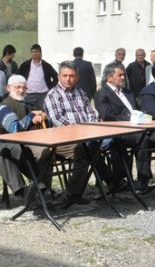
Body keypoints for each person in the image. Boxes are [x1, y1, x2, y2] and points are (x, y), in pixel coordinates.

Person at [44, 61, 111, 205]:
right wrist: (80, 131)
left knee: (109, 142)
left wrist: (90, 128)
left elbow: (91, 112)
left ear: (77, 77)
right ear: (58, 76)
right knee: (86, 151)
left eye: (72, 76)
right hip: (63, 139)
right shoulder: (53, 95)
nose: (68, 79)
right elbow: (57, 120)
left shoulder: (80, 92)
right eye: (65, 76)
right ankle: (75, 194)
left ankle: (111, 183)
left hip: (87, 136)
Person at [95, 62, 155, 191]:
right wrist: (131, 119)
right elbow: (107, 116)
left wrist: (144, 116)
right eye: (120, 75)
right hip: (118, 130)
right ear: (109, 78)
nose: (123, 78)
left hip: (138, 126)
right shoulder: (102, 94)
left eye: (123, 75)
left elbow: (138, 109)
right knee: (142, 139)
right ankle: (142, 179)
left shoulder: (128, 92)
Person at [0, 75, 53, 190]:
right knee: (45, 152)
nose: (21, 90)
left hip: (33, 139)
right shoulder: (4, 106)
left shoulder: (27, 103)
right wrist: (32, 116)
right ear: (8, 88)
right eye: (18, 87)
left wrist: (41, 117)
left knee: (51, 153)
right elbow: (15, 128)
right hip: (16, 144)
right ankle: (39, 188)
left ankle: (45, 190)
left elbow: (43, 118)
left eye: (24, 88)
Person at [17, 44, 58, 110]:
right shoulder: (25, 65)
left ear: (40, 53)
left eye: (36, 52)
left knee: (43, 115)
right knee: (29, 116)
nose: (34, 53)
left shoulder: (46, 65)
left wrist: (50, 87)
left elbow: (56, 77)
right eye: (33, 52)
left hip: (43, 96)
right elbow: (18, 77)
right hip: (28, 95)